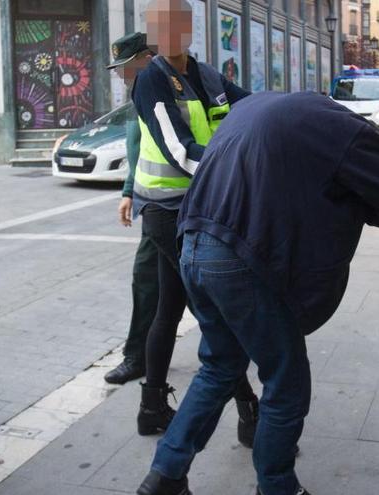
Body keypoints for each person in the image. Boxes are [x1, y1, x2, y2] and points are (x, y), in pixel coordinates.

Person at [136, 91, 379, 495]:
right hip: (237, 257)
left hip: (193, 243)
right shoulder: (350, 132)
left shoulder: (261, 106)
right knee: (286, 380)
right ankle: (277, 485)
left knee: (218, 366)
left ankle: (165, 475)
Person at [131, 0, 258, 447]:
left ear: (189, 26)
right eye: (159, 24)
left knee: (170, 307)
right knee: (216, 310)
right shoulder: (151, 80)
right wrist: (233, 168)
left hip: (200, 206)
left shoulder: (205, 76)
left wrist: (292, 109)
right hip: (168, 214)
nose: (169, 31)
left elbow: (249, 106)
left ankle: (151, 407)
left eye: (177, 21)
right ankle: (248, 407)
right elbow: (178, 149)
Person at [103, 32, 158, 386]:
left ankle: (137, 357)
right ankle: (139, 356)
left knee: (163, 281)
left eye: (127, 67)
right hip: (153, 201)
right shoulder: (139, 94)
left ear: (146, 58)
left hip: (182, 201)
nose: (122, 75)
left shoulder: (172, 88)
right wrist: (128, 190)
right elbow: (135, 145)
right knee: (151, 281)